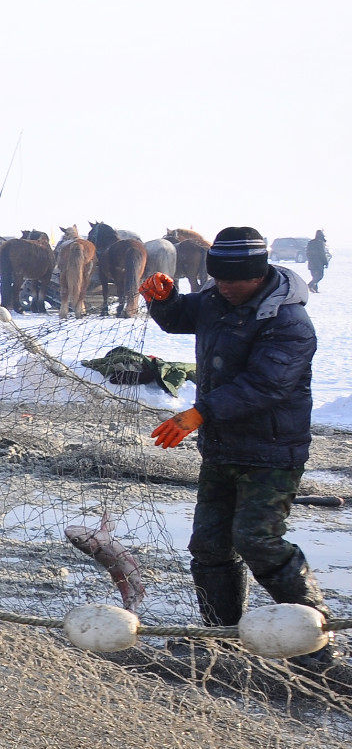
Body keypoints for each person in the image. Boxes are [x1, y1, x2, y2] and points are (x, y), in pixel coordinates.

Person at [142, 228, 325, 662]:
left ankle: (315, 637)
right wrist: (163, 299)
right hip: (222, 448)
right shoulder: (215, 299)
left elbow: (265, 386)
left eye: (235, 280)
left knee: (257, 539)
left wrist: (199, 413)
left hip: (272, 452)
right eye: (218, 279)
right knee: (209, 544)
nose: (225, 288)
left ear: (259, 275)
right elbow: (178, 317)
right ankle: (222, 634)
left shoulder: (289, 322)